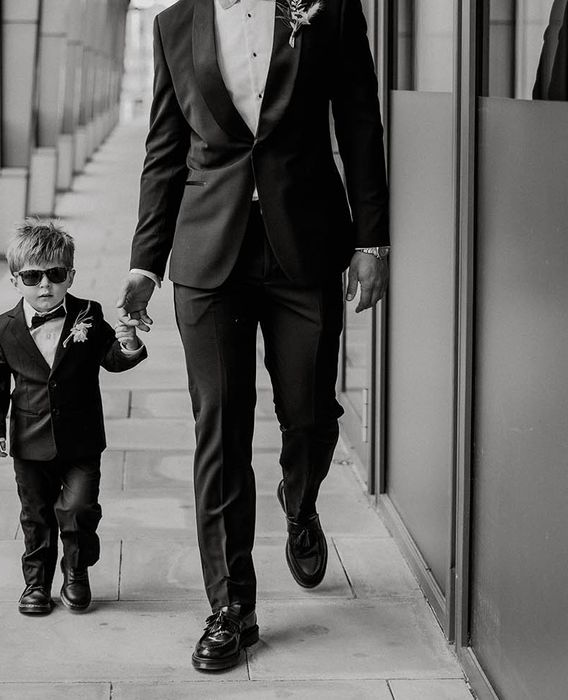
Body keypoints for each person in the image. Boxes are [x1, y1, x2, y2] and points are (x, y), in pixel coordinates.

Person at [118, 0, 389, 671]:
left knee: (309, 415)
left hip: (306, 246)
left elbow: (359, 121)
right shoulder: (174, 25)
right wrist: (144, 267)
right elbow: (164, 151)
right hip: (209, 259)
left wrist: (373, 241)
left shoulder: (326, 10)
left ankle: (300, 503)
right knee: (220, 427)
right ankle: (229, 608)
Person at [0, 219, 146, 615]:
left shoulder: (88, 313)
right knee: (35, 516)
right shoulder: (5, 327)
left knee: (79, 509)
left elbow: (111, 359)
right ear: (16, 280)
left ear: (70, 276)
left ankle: (76, 571)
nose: (45, 285)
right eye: (33, 276)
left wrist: (130, 344)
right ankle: (35, 584)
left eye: (55, 275)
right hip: (29, 439)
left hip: (82, 436)